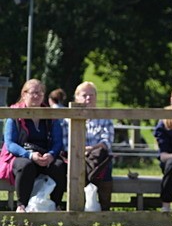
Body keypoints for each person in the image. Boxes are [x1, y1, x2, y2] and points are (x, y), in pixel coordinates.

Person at [1, 79, 67, 212]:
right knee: (26, 166)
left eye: (40, 93)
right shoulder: (14, 114)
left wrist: (52, 154)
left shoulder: (50, 115)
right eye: (33, 93)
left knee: (59, 166)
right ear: (24, 94)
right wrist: (30, 155)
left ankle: (55, 204)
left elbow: (58, 141)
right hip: (20, 154)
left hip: (45, 154)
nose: (37, 96)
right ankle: (21, 205)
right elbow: (10, 143)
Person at [70, 81, 115, 210]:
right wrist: (80, 150)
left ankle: (104, 208)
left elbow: (107, 142)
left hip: (98, 157)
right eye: (85, 95)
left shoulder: (105, 118)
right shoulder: (67, 119)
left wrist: (90, 149)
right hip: (76, 156)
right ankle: (78, 207)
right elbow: (65, 143)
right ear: (76, 97)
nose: (89, 98)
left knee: (104, 164)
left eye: (92, 95)